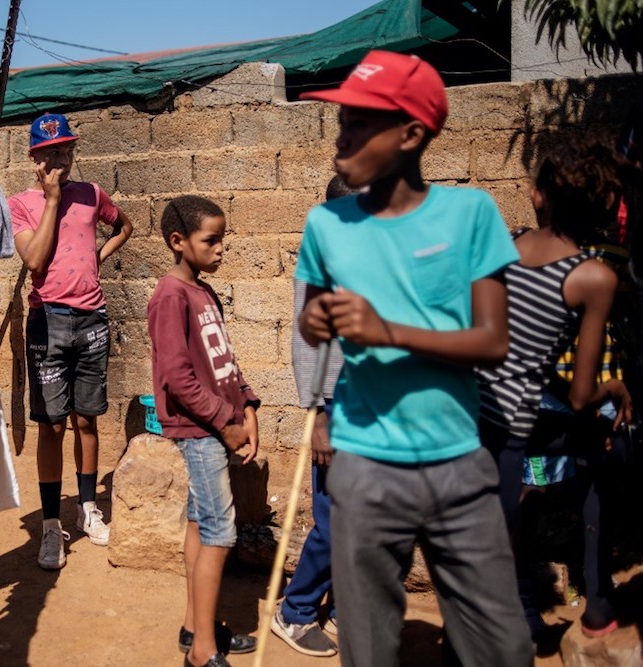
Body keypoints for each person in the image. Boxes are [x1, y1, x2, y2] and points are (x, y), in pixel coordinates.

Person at [297, 50, 533, 666]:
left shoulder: (471, 214)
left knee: (501, 648)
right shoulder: (326, 224)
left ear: (411, 134)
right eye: (341, 120)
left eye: (358, 123)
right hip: (364, 468)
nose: (341, 136)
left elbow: (492, 340)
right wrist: (317, 320)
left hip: (458, 464)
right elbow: (311, 322)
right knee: (368, 646)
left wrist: (388, 332)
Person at [477, 141, 633, 641]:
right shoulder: (593, 277)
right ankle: (594, 600)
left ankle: (525, 616)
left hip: (469, 413)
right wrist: (617, 387)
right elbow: (585, 395)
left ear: (540, 197)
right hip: (512, 427)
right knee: (603, 451)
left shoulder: (506, 243)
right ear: (607, 209)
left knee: (496, 535)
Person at [8, 112, 133, 570]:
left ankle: (86, 509)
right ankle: (48, 525)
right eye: (50, 153)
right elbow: (36, 260)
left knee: (86, 421)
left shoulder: (93, 194)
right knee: (52, 426)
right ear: (35, 158)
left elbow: (125, 226)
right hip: (49, 322)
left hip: (92, 319)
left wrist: (97, 258)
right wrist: (53, 198)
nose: (60, 158)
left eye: (66, 150)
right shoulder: (20, 204)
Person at [148, 195, 260, 667]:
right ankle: (202, 653)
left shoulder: (204, 293)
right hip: (199, 432)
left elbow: (223, 360)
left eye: (222, 240)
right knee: (220, 531)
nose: (220, 250)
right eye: (210, 240)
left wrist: (248, 403)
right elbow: (177, 375)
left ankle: (195, 626)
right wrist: (225, 422)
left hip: (216, 427)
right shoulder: (169, 296)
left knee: (200, 522)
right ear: (179, 241)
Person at [272, 175, 361, 658]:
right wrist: (317, 413)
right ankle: (296, 610)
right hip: (336, 404)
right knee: (334, 517)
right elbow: (308, 341)